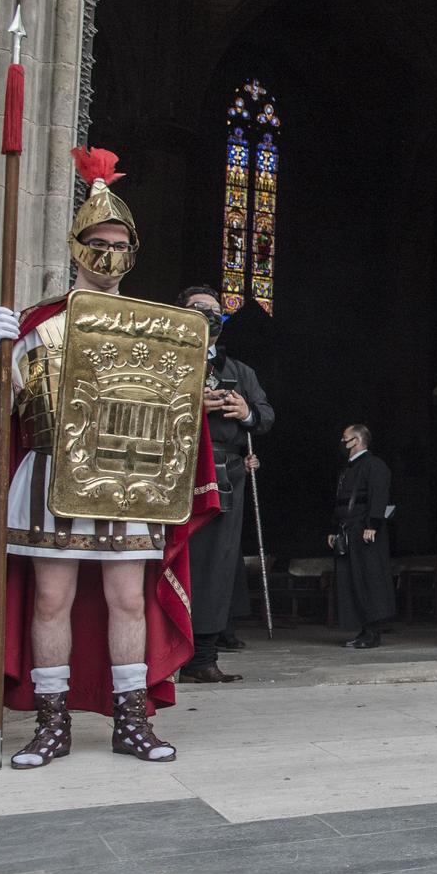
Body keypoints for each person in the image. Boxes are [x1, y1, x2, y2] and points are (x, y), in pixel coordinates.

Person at [0, 147, 217, 767]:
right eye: (98, 240)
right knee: (50, 599)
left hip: (132, 475)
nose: (109, 251)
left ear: (133, 250)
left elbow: (176, 413)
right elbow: (2, 410)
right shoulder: (38, 323)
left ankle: (131, 721)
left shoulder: (159, 329)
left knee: (129, 599)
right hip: (50, 475)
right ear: (76, 244)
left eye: (120, 242)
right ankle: (51, 723)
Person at [176, 287, 273, 683]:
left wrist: (247, 412)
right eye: (198, 309)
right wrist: (193, 404)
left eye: (215, 311)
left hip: (223, 474)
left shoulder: (240, 371)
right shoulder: (166, 361)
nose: (208, 315)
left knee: (215, 565)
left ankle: (202, 658)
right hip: (176, 470)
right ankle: (160, 655)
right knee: (170, 560)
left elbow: (267, 415)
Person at [331, 424, 395, 649]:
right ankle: (362, 630)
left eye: (345, 438)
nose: (342, 442)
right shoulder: (347, 469)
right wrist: (334, 530)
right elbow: (341, 501)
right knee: (353, 581)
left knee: (370, 581)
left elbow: (378, 496)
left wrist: (372, 525)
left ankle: (373, 632)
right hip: (348, 531)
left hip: (366, 532)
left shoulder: (374, 465)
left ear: (356, 441)